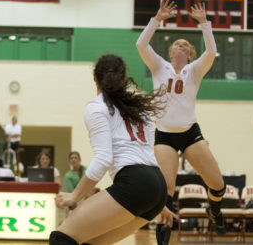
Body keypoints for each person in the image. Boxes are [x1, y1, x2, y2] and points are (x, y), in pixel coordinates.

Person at [49, 54, 175, 245]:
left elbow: (103, 158)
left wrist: (75, 195)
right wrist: (155, 198)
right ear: (122, 78)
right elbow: (148, 154)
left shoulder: (97, 107)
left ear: (95, 78)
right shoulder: (139, 108)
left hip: (135, 184)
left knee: (61, 238)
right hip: (156, 186)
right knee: (88, 242)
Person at [136, 0, 226, 244]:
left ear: (189, 54)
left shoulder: (195, 70)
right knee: (166, 192)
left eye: (185, 44)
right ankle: (163, 239)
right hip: (164, 134)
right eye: (177, 43)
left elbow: (211, 52)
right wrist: (157, 19)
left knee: (218, 185)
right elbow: (141, 44)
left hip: (190, 132)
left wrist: (205, 24)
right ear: (171, 51)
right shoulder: (158, 66)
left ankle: (214, 209)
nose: (181, 46)